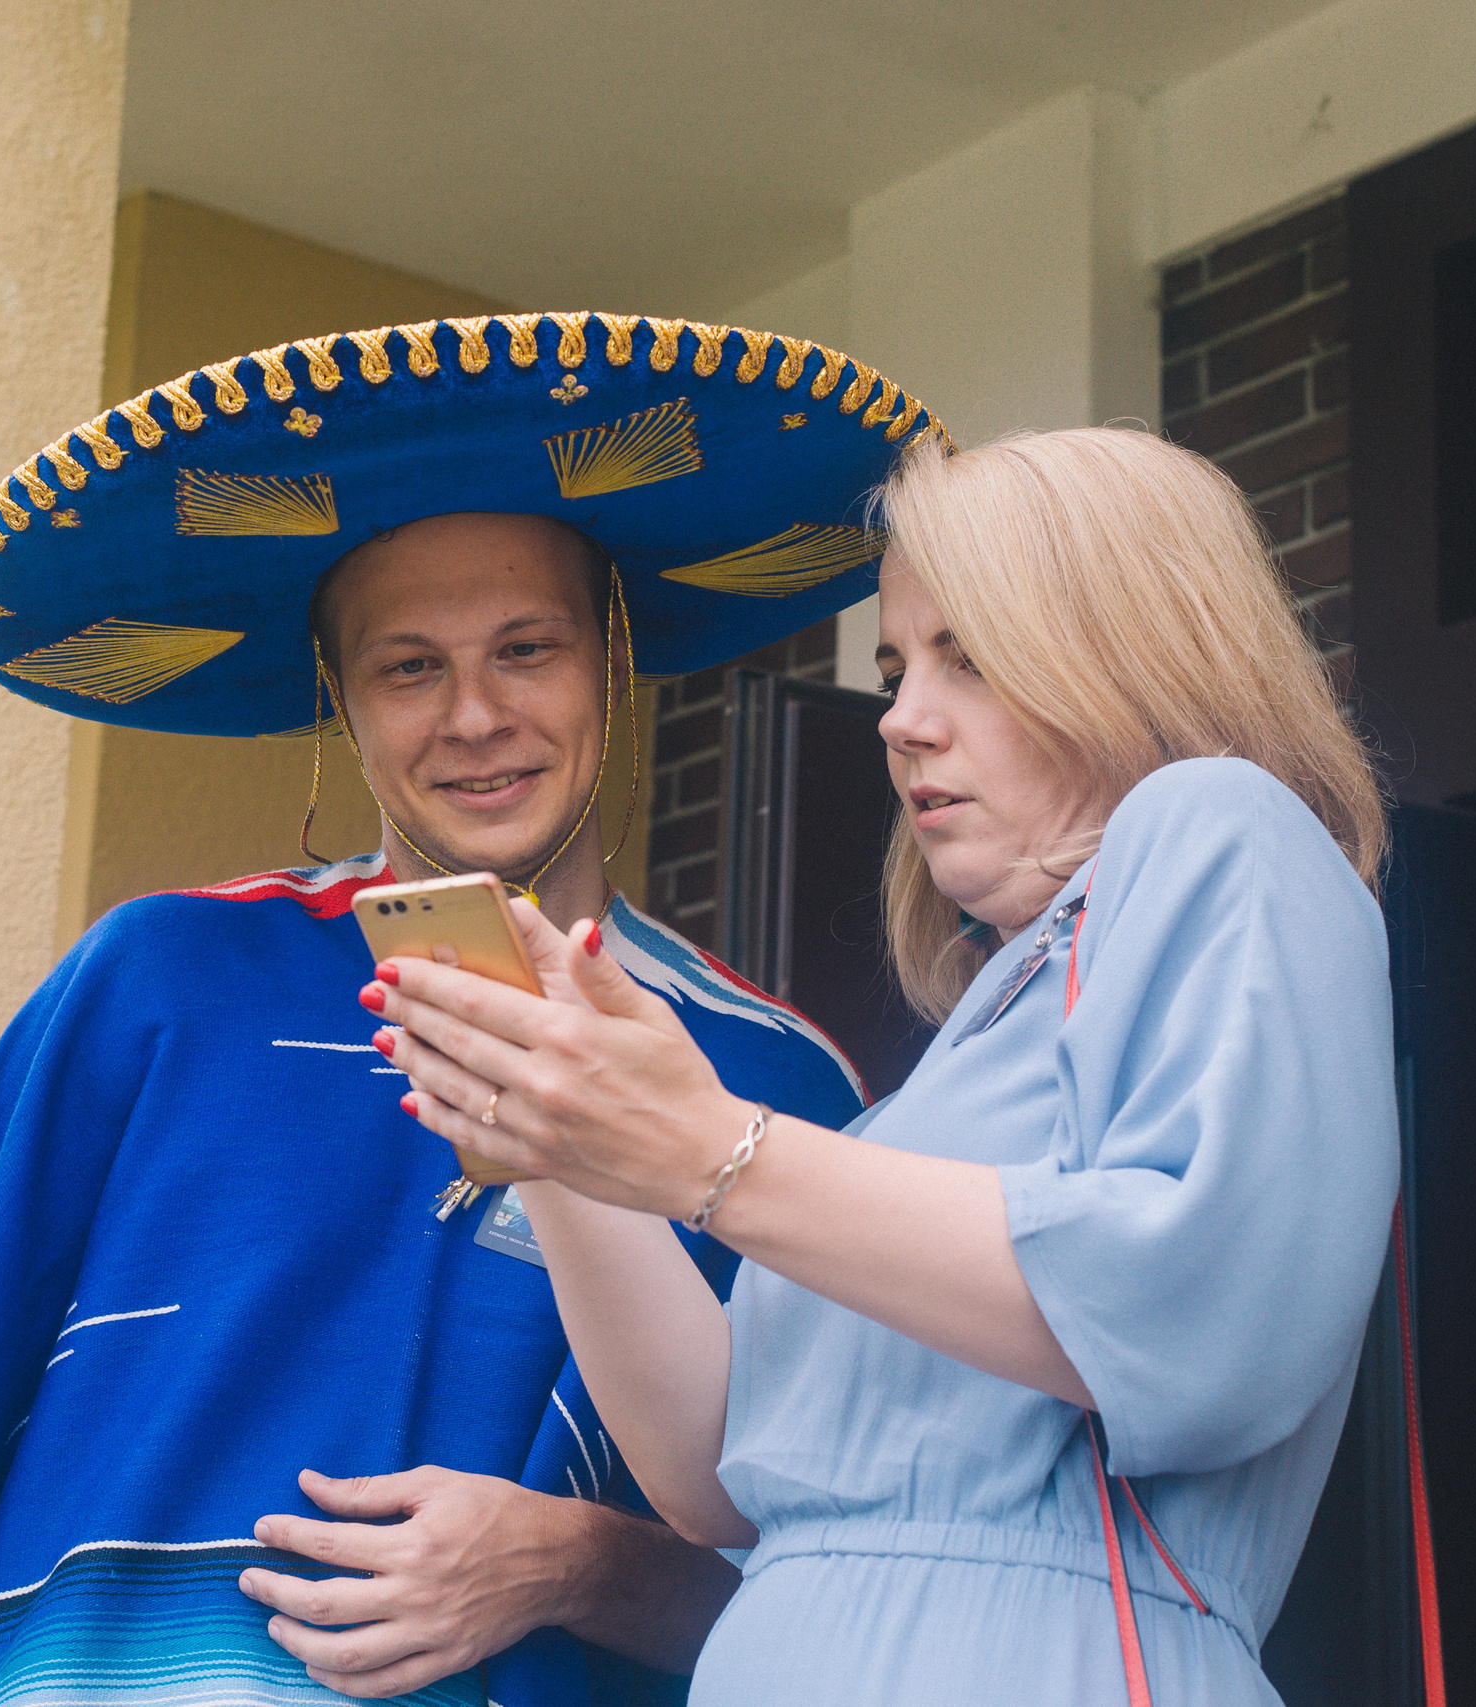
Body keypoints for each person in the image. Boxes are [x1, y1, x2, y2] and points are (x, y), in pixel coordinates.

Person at [0, 313, 947, 1706]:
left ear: (612, 660)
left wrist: (579, 1564)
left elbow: (858, 1587)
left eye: (526, 648)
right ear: (339, 700)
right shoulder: (160, 976)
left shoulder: (779, 1082)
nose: (473, 714)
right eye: (409, 666)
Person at [369, 425, 1399, 1704]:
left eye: (969, 657)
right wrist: (560, 1136)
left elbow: (1203, 1320)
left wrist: (711, 1148)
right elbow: (710, 1475)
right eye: (896, 669)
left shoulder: (1220, 824)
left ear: (1133, 653)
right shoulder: (956, 1067)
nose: (901, 722)